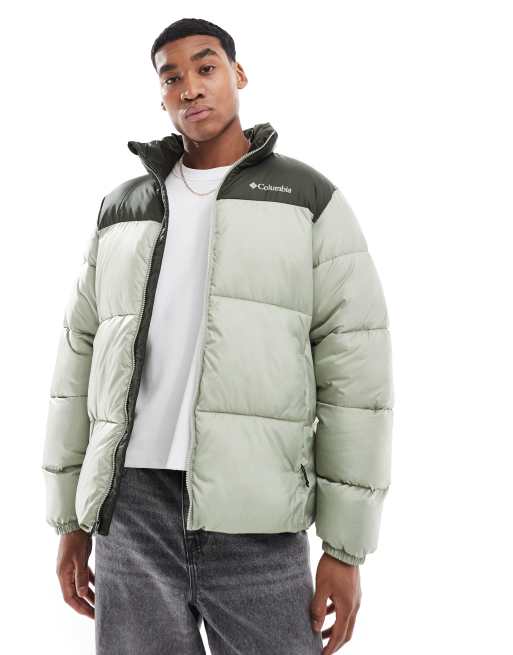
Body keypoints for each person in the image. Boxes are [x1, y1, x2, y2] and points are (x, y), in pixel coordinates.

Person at [41, 17, 394, 655]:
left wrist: (345, 549)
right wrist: (70, 518)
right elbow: (77, 364)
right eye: (171, 77)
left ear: (238, 74)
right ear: (161, 96)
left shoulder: (307, 199)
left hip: (256, 510)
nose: (190, 87)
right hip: (132, 509)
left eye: (206, 68)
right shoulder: (123, 208)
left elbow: (356, 376)